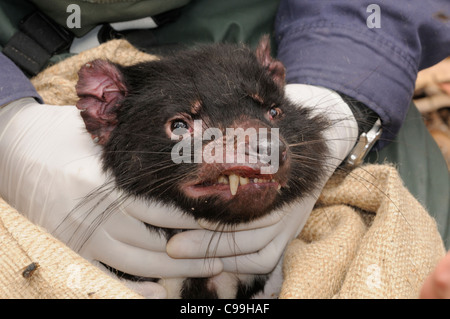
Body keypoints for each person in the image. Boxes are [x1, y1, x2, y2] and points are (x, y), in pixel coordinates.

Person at [0, 0, 449, 298]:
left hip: (303, 36)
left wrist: (345, 94)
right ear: (104, 114)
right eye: (183, 127)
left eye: (268, 118)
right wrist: (9, 123)